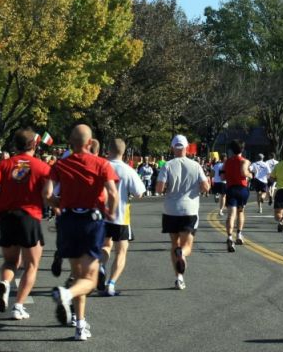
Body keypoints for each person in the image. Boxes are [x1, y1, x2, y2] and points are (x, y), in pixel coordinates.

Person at [47, 124, 119, 341]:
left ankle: (80, 324)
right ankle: (66, 294)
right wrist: (110, 214)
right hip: (91, 219)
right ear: (90, 143)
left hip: (68, 219)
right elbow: (113, 193)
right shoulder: (101, 163)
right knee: (91, 277)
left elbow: (47, 193)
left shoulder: (61, 164)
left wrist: (58, 204)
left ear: (71, 143)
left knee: (79, 276)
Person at [0, 129, 52, 320]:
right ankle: (18, 305)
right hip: (29, 217)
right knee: (31, 265)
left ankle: (5, 284)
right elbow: (48, 195)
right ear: (34, 145)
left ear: (15, 145)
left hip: (7, 216)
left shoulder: (4, 164)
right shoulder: (42, 167)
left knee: (10, 261)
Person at [156, 135, 209, 290]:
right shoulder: (196, 165)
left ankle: (179, 278)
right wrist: (196, 189)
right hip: (189, 210)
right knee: (187, 246)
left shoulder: (167, 165)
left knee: (174, 244)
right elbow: (206, 187)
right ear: (186, 148)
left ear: (173, 148)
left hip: (171, 210)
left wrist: (168, 189)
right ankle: (182, 254)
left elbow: (159, 189)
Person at [101, 139, 146, 295]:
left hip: (101, 214)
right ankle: (111, 284)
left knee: (105, 245)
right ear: (124, 152)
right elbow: (140, 192)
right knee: (121, 250)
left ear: (108, 149)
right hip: (120, 215)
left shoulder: (101, 166)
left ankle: (101, 267)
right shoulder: (127, 170)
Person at [223, 140, 251, 252]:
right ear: (242, 149)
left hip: (231, 189)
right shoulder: (244, 161)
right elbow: (244, 173)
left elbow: (222, 177)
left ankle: (230, 237)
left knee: (231, 215)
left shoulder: (227, 162)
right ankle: (239, 234)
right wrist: (251, 175)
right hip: (242, 189)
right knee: (241, 212)